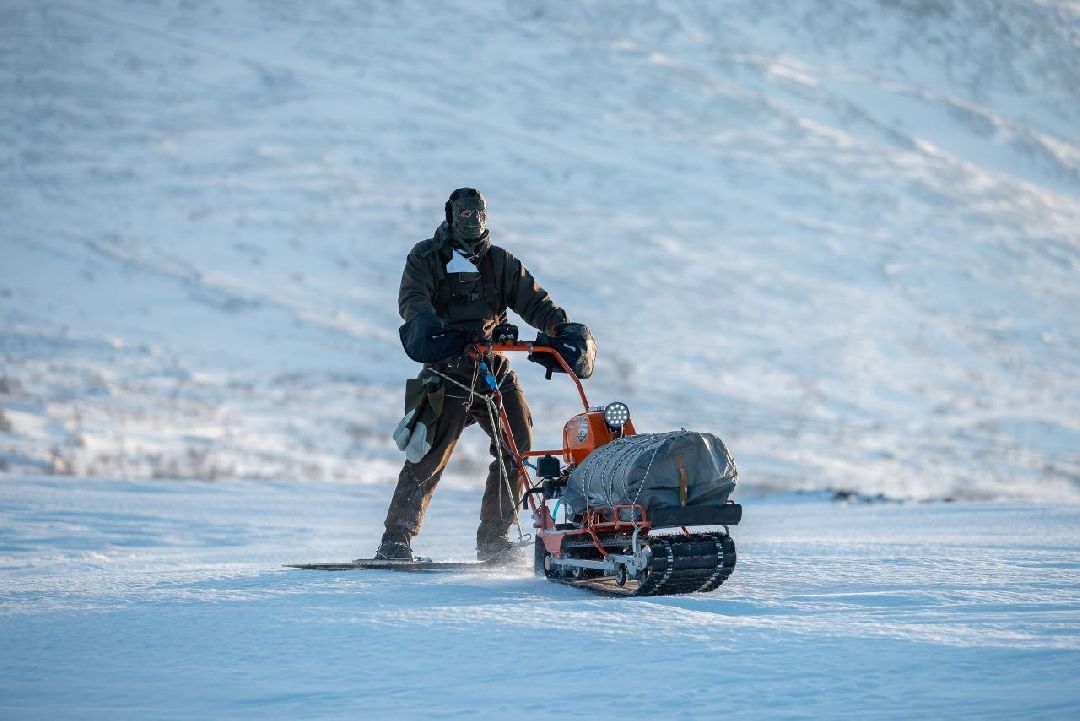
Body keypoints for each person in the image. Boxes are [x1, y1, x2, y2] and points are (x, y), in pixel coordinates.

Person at [376, 188, 574, 562]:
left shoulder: (500, 262)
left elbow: (535, 302)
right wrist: (429, 326)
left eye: (478, 214)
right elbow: (413, 299)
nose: (472, 220)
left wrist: (562, 329)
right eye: (464, 214)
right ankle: (395, 540)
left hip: (492, 370)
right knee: (428, 455)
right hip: (446, 369)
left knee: (519, 448)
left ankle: (494, 541)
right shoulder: (425, 257)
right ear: (451, 216)